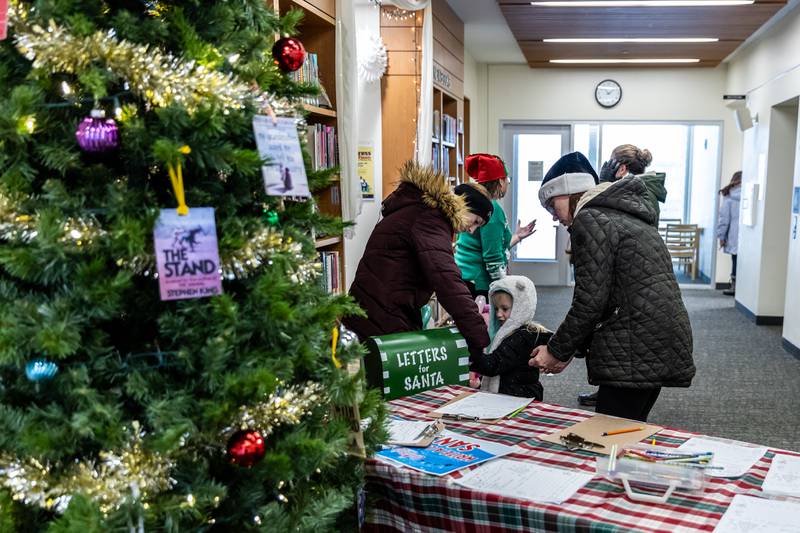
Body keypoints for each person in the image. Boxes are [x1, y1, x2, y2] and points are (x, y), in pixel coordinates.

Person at [530, 152, 695, 422]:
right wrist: (570, 350)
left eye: (551, 206)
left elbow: (590, 301)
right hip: (656, 338)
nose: (553, 217)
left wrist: (557, 351)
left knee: (608, 441)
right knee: (627, 434)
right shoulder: (619, 213)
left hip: (635, 344)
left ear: (568, 193)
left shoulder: (590, 220)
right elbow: (606, 297)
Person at [344, 160, 491, 365]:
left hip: (375, 309)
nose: (472, 230)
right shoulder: (431, 220)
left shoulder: (421, 210)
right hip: (383, 315)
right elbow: (448, 283)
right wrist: (479, 339)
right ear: (465, 205)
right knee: (387, 388)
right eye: (476, 221)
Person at [578, 144, 667, 407]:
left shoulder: (640, 193)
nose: (605, 167)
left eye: (610, 163)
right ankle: (606, 385)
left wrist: (604, 186)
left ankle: (613, 387)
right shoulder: (640, 190)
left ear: (622, 168)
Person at [455, 153, 536, 299]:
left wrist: (517, 237)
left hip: (465, 276)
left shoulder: (474, 204)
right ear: (500, 182)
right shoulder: (491, 210)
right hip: (479, 283)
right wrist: (504, 288)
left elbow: (491, 246)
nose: (508, 185)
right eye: (508, 180)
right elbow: (492, 257)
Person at [469, 276, 552, 399]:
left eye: (505, 309)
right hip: (520, 393)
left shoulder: (520, 338)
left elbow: (494, 365)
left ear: (521, 307)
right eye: (496, 308)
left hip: (516, 396)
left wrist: (470, 354)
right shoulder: (528, 332)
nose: (498, 314)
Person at [716, 171, 742, 296]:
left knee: (735, 259)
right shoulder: (749, 193)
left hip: (734, 233)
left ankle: (734, 286)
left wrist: (721, 236)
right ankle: (740, 287)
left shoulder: (729, 195)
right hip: (748, 235)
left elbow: (724, 218)